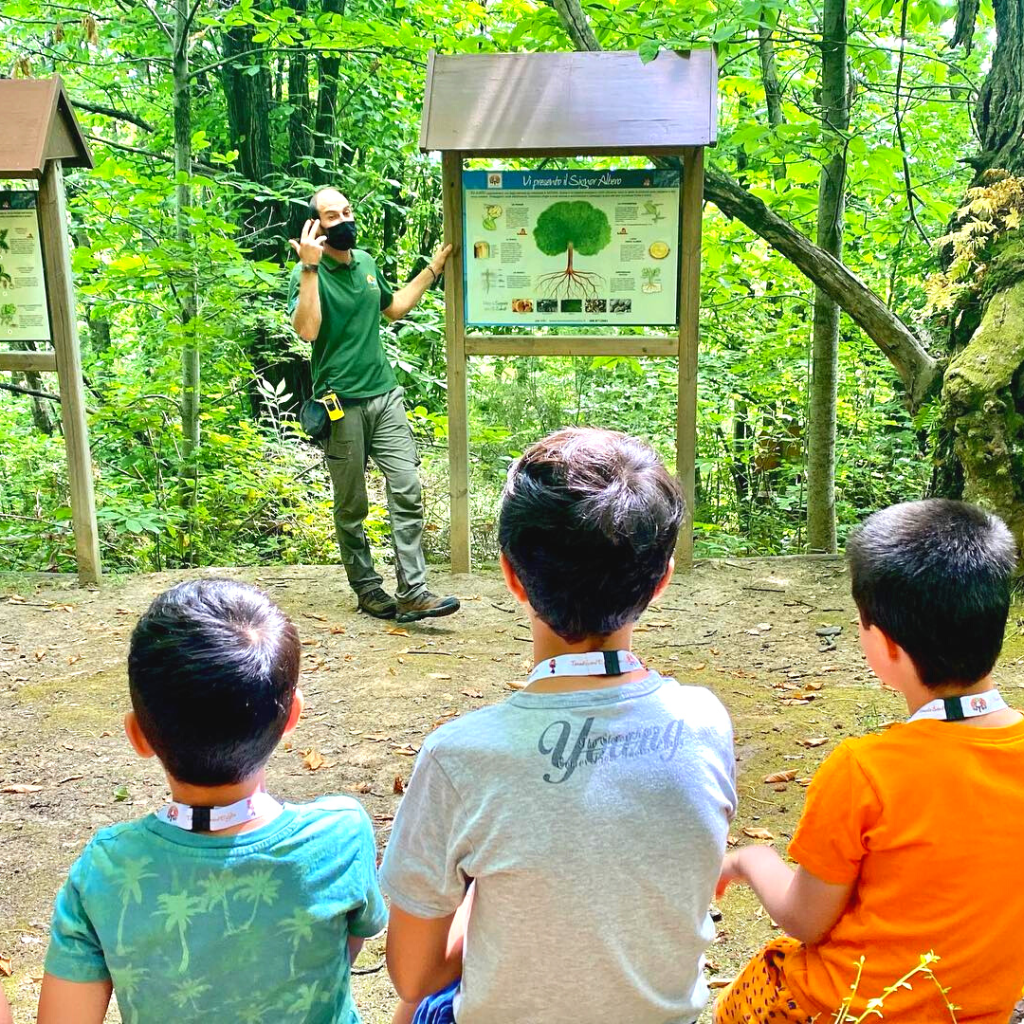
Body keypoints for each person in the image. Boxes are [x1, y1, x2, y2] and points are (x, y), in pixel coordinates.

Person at [379, 428, 738, 1023]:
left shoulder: (460, 756)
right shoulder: (704, 721)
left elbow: (415, 974)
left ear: (512, 577)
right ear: (662, 580)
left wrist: (474, 904)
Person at [715, 499, 1024, 1023]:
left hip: (850, 1008)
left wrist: (751, 861)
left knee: (744, 998)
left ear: (882, 644)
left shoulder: (865, 770)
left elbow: (805, 921)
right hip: (981, 1010)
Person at [37, 579, 386, 1023]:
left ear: (138, 736)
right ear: (291, 717)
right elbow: (346, 946)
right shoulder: (340, 833)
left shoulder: (106, 868)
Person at [288, 188, 460, 624]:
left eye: (347, 211)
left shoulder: (364, 262)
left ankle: (413, 591)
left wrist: (431, 270)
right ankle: (367, 588)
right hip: (339, 405)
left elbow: (393, 308)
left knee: (407, 486)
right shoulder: (307, 274)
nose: (344, 219)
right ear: (315, 227)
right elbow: (307, 331)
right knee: (352, 505)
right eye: (332, 215)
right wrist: (309, 268)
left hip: (385, 396)